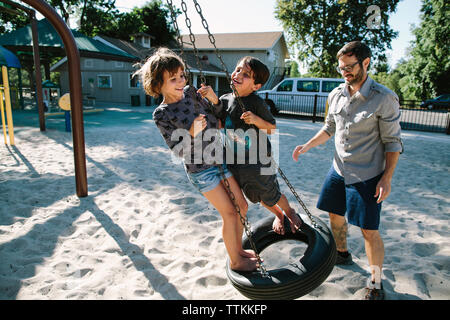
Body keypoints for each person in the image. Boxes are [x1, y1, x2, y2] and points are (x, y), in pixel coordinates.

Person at [292, 41, 403, 300]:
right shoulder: (335, 95)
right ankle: (342, 253)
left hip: (368, 174)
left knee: (368, 230)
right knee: (334, 215)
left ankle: (375, 282)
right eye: (341, 67)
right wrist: (307, 145)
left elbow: (393, 142)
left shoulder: (384, 98)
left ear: (366, 62)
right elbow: (330, 127)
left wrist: (387, 177)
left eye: (350, 67)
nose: (345, 72)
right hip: (338, 169)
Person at [136, 47, 258, 271]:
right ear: (157, 84)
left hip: (219, 160)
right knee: (230, 213)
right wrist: (191, 132)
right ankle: (235, 260)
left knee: (241, 205)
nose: (181, 81)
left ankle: (238, 249)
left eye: (182, 75)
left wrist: (215, 101)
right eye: (173, 79)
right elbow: (177, 150)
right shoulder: (162, 114)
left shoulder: (192, 93)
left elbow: (218, 113)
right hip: (201, 171)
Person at [219, 56, 303, 235]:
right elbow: (219, 122)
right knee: (256, 197)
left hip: (258, 160)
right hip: (235, 161)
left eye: (246, 74)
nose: (239, 74)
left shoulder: (256, 102)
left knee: (269, 193)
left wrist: (256, 120)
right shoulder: (225, 99)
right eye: (238, 69)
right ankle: (278, 215)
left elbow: (272, 128)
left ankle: (288, 212)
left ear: (256, 86)